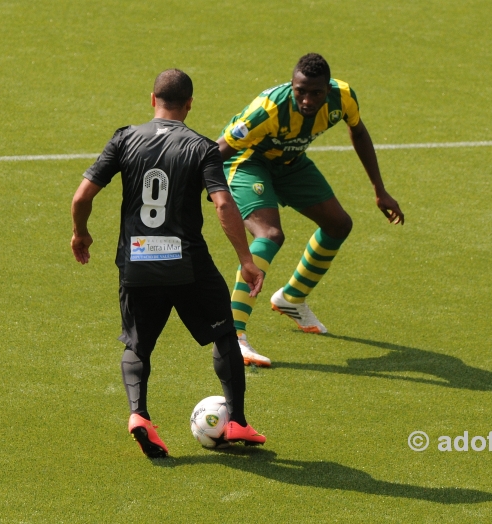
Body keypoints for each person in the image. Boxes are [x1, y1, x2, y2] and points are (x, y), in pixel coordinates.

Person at [71, 69, 267, 458]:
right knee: (223, 333)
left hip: (137, 261)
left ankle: (139, 415)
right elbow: (224, 204)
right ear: (190, 103)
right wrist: (246, 260)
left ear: (152, 99)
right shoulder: (202, 147)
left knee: (137, 344)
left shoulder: (125, 138)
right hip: (187, 262)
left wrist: (81, 233)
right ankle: (238, 422)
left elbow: (82, 197)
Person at [216, 53, 404, 367]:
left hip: (290, 163)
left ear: (327, 89)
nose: (306, 99)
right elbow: (218, 151)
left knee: (339, 224)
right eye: (300, 91)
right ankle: (233, 336)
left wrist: (379, 189)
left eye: (315, 93)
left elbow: (358, 132)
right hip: (248, 163)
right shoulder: (268, 110)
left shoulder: (342, 98)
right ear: (292, 85)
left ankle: (291, 298)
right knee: (270, 234)